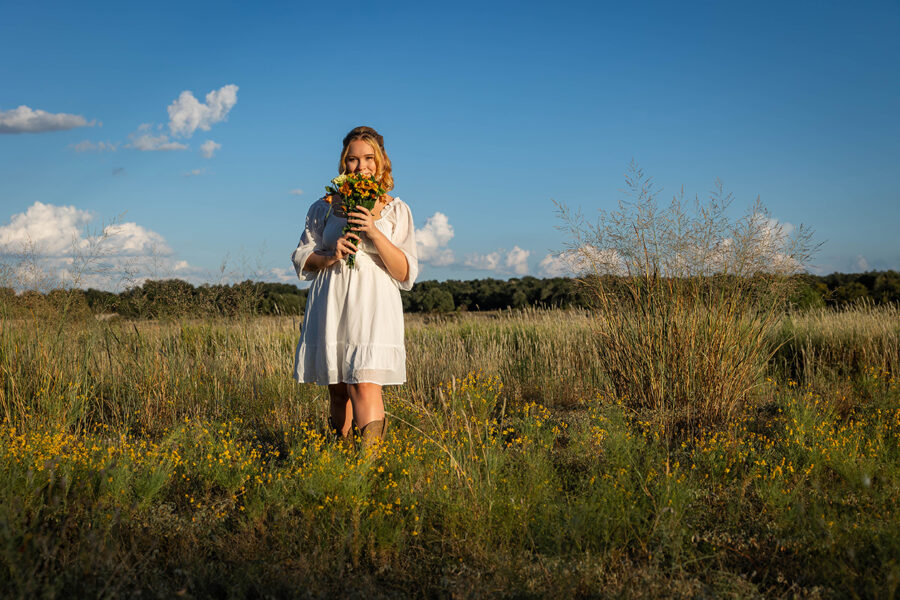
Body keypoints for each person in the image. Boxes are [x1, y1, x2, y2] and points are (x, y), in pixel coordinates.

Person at [291, 126, 418, 451]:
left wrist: (373, 233)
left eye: (367, 159)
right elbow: (302, 258)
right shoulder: (323, 206)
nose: (360, 166)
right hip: (332, 299)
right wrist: (330, 255)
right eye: (352, 159)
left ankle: (366, 469)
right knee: (337, 387)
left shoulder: (395, 209)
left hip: (374, 304)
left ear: (381, 162)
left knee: (364, 383)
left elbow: (405, 272)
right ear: (343, 163)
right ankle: (340, 458)